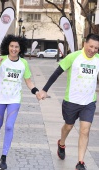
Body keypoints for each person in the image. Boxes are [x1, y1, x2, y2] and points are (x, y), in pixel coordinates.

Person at [38, 33, 99, 170]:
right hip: (71, 101)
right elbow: (56, 73)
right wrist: (44, 90)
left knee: (85, 130)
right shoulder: (73, 57)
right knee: (69, 126)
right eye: (91, 46)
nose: (93, 50)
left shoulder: (98, 60)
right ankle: (62, 142)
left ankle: (80, 162)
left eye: (96, 48)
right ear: (84, 44)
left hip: (89, 102)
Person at [0, 34, 40, 170]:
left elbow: (28, 81)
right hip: (0, 99)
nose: (14, 49)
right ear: (7, 47)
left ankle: (4, 157)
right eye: (11, 46)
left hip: (15, 99)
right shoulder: (0, 59)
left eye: (16, 47)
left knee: (9, 126)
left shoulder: (24, 63)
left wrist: (36, 92)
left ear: (20, 49)